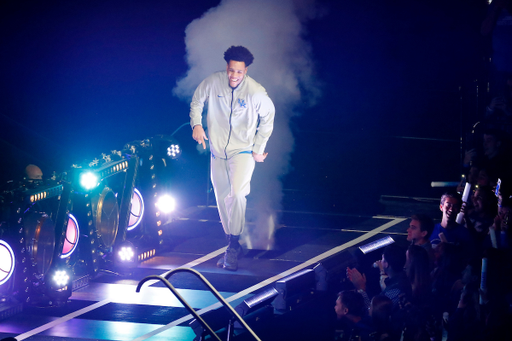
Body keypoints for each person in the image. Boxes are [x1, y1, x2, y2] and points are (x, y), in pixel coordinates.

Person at [189, 46, 275, 271]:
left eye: (239, 71)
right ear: (226, 67)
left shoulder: (256, 92)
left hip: (243, 152)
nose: (233, 76)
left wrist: (258, 148)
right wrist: (196, 124)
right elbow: (197, 101)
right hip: (217, 153)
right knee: (222, 200)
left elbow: (268, 118)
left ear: (245, 70)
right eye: (230, 70)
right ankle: (232, 243)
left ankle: (233, 245)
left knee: (236, 195)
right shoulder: (213, 82)